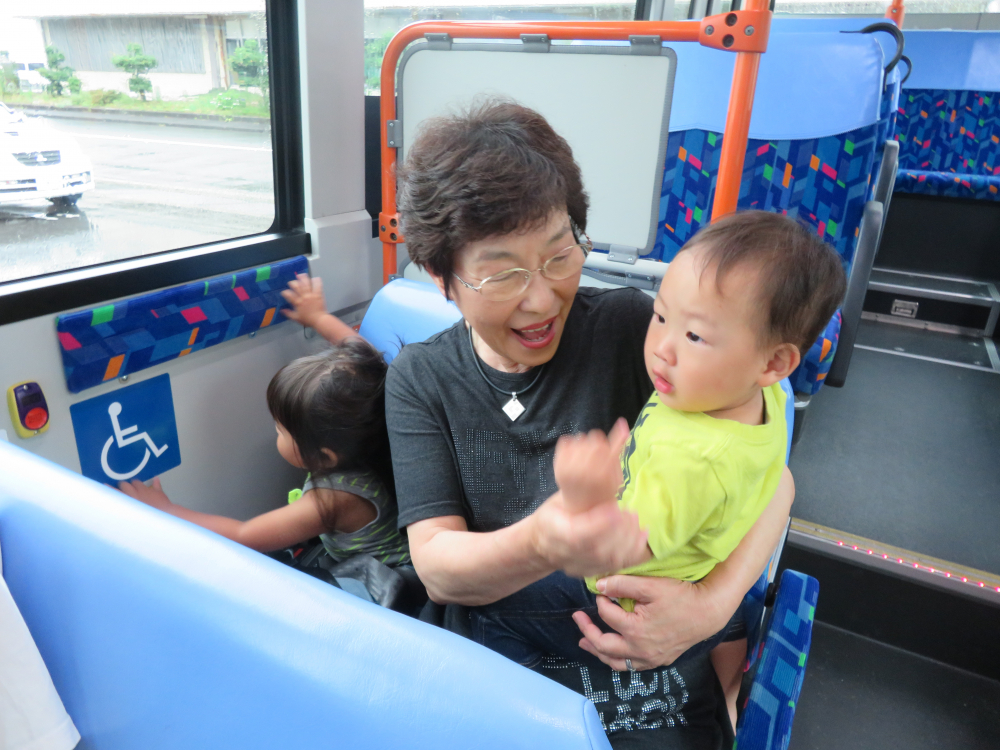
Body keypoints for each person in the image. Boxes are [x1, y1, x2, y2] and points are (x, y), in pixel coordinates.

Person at [385, 99, 795, 748]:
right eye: (501, 274)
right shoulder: (421, 380)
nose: (542, 298)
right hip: (517, 645)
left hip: (649, 638)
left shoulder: (635, 331)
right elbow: (437, 565)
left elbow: (772, 480)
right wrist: (546, 542)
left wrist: (709, 608)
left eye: (559, 255)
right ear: (443, 280)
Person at [470, 210, 846, 729]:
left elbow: (615, 549)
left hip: (620, 594)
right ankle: (723, 660)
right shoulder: (756, 399)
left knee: (486, 608)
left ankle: (542, 711)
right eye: (662, 316)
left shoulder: (692, 462)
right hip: (696, 560)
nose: (662, 349)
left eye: (694, 337)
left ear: (774, 363)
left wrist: (586, 498)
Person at [119, 282, 410, 571]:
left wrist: (168, 511)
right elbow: (363, 354)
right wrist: (318, 317)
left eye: (281, 430)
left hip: (384, 582)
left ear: (325, 457)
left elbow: (245, 536)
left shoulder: (335, 497)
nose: (276, 433)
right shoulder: (380, 407)